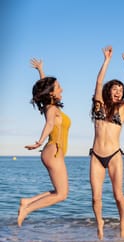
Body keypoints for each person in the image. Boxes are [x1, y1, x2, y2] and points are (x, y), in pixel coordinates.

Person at [17, 58, 71, 226]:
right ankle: (27, 209)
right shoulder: (52, 109)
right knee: (62, 195)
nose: (62, 89)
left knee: (59, 192)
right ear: (51, 93)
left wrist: (41, 70)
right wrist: (39, 141)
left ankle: (27, 202)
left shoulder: (52, 105)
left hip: (54, 153)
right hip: (53, 151)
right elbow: (48, 124)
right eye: (58, 87)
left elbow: (45, 86)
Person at [90, 46, 124, 240]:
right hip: (97, 156)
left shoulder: (123, 109)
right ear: (109, 91)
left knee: (118, 195)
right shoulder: (99, 105)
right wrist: (107, 60)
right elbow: (99, 81)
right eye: (115, 89)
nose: (118, 92)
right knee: (96, 197)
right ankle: (99, 224)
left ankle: (122, 223)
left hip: (115, 156)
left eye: (121, 90)